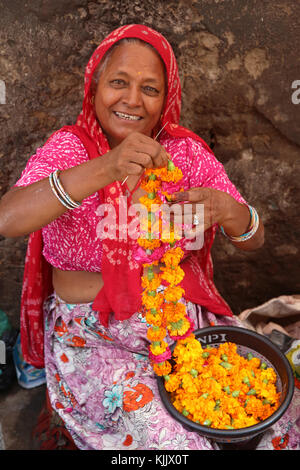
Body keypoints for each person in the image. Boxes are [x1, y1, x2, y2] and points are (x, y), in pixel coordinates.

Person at [0, 24, 298, 451]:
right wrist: (107, 167)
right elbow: (8, 218)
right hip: (95, 337)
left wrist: (230, 211)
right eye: (118, 83)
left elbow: (254, 239)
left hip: (180, 325)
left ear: (166, 97)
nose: (132, 100)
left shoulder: (184, 154)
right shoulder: (71, 149)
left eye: (149, 88)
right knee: (173, 446)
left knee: (278, 415)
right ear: (95, 86)